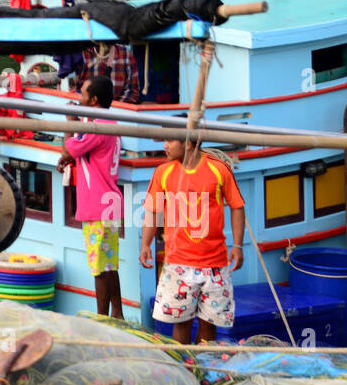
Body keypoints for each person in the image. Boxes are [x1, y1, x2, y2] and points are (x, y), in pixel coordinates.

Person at [139, 138, 245, 344]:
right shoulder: (163, 172)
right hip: (178, 262)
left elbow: (237, 206)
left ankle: (202, 369)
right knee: (181, 322)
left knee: (209, 323)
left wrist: (238, 246)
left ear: (187, 144)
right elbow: (153, 211)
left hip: (214, 263)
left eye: (169, 141)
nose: (165, 146)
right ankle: (185, 368)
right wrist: (145, 244)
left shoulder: (219, 169)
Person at [57, 75, 123, 320]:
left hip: (98, 205)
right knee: (108, 265)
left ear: (93, 100)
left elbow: (70, 147)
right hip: (107, 203)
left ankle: (102, 319)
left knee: (99, 269)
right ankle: (117, 314)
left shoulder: (97, 125)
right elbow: (79, 151)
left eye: (82, 94)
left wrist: (69, 123)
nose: (78, 98)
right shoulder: (106, 121)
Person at [67, 43, 141, 104]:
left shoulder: (126, 54)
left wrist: (113, 109)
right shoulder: (81, 53)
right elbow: (73, 88)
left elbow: (132, 92)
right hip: (86, 107)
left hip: (117, 111)